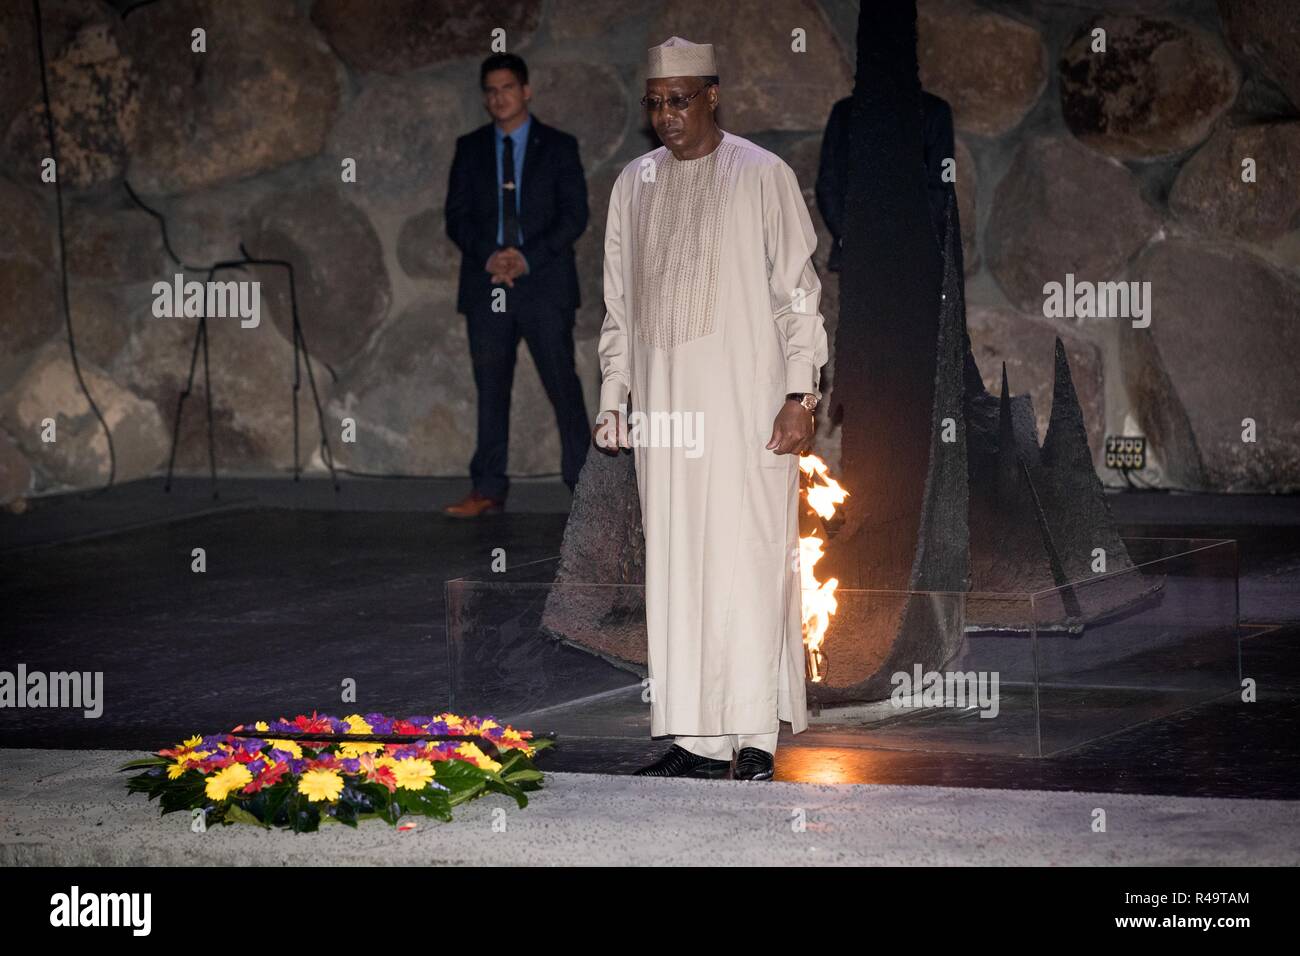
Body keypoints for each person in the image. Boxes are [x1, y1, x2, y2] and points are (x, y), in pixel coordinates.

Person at [593, 37, 829, 781]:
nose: (667, 116)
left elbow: (800, 294)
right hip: (665, 419)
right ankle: (694, 737)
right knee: (677, 569)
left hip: (749, 410)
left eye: (681, 100)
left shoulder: (764, 175)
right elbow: (619, 306)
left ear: (713, 95)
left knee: (750, 566)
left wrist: (801, 393)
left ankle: (754, 736)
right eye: (656, 104)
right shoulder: (634, 184)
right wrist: (614, 398)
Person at [443, 53, 590, 517]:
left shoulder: (560, 146)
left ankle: (586, 488)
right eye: (490, 90)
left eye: (507, 87)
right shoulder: (469, 148)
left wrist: (525, 258)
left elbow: (574, 215)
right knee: (490, 387)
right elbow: (457, 217)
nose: (498, 97)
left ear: (526, 90)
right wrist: (493, 256)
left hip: (544, 283)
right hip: (488, 282)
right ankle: (487, 488)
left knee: (562, 384)